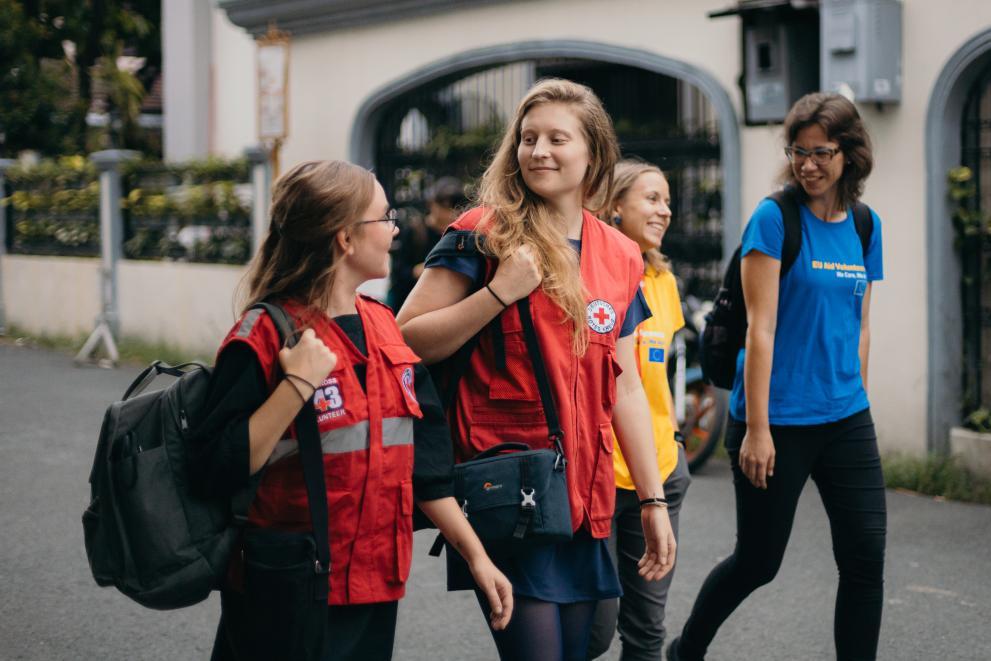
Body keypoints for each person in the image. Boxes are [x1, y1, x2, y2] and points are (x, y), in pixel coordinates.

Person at [397, 78, 677, 661]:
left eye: (557, 138)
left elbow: (623, 388)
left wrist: (651, 502)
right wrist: (498, 294)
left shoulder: (620, 254)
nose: (538, 151)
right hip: (510, 488)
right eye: (527, 139)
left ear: (593, 154)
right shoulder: (482, 232)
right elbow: (407, 340)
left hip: (587, 496)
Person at [189, 160, 513, 661]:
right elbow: (215, 466)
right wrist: (295, 383)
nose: (395, 229)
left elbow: (426, 471)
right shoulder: (266, 335)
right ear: (344, 238)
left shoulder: (386, 329)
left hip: (372, 582)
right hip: (284, 587)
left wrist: (477, 557)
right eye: (384, 218)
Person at [667, 92, 885, 661]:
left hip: (846, 418)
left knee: (865, 560)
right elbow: (759, 330)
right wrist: (757, 430)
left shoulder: (865, 226)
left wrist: (856, 392)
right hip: (777, 418)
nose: (809, 164)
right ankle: (685, 650)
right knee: (758, 563)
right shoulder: (775, 218)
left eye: (822, 152)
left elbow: (858, 323)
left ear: (850, 153)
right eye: (799, 152)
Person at [587, 160, 691, 661]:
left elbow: (656, 380)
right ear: (614, 206)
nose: (664, 210)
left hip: (661, 472)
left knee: (648, 630)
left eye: (666, 200)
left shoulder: (664, 283)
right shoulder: (594, 278)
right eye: (651, 198)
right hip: (599, 476)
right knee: (592, 630)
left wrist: (672, 447)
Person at [388, 177, 468, 310]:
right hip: (412, 306)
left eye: (454, 206)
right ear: (432, 204)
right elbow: (398, 274)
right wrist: (422, 270)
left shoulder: (459, 234)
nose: (448, 212)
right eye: (444, 206)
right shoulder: (415, 231)